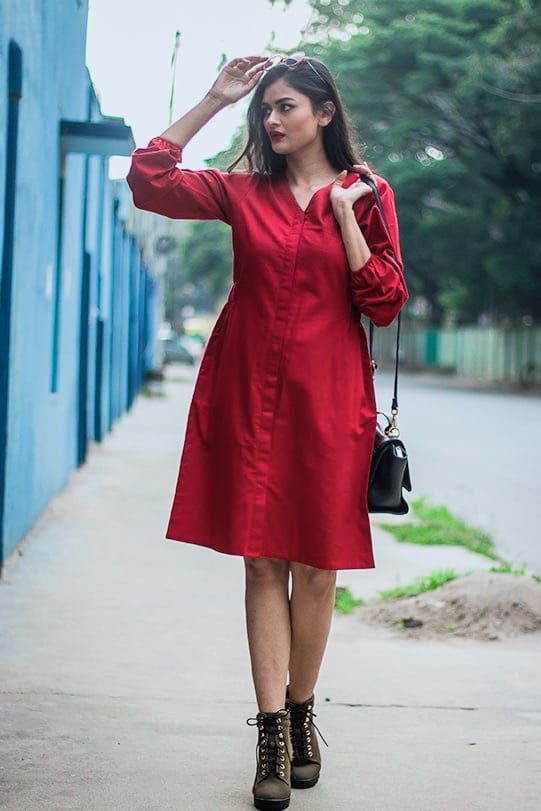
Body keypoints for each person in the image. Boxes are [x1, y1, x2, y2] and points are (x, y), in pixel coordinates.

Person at [127, 52, 408, 811]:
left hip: (327, 398)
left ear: (323, 112)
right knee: (260, 564)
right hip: (248, 391)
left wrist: (348, 217)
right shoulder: (242, 191)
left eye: (286, 107)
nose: (272, 120)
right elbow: (149, 178)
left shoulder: (369, 192)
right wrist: (217, 99)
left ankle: (301, 707)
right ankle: (270, 736)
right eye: (267, 110)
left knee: (316, 566)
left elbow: (382, 300)